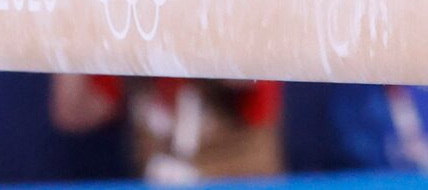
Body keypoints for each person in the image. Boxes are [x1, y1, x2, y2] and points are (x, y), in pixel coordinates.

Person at [50, 74, 284, 181]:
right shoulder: (132, 28)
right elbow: (74, 113)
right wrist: (69, 46)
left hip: (235, 180)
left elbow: (242, 79)